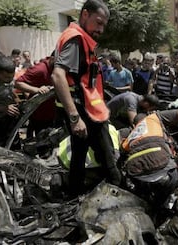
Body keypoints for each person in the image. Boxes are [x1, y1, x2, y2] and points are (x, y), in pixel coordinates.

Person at [51, 0, 121, 197]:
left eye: (103, 25)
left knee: (79, 155)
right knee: (109, 161)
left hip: (86, 110)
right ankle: (119, 200)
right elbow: (58, 76)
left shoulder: (77, 38)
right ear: (85, 15)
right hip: (85, 114)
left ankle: (74, 195)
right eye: (98, 22)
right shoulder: (76, 39)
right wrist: (75, 117)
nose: (101, 29)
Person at [121, 107, 178, 205]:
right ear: (147, 116)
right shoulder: (153, 118)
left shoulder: (130, 135)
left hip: (138, 176)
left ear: (134, 125)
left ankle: (147, 203)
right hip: (163, 171)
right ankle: (161, 205)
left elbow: (123, 152)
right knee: (175, 173)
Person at [14, 52, 56, 137]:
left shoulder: (59, 68)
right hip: (41, 113)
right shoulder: (40, 69)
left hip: (55, 112)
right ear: (52, 58)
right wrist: (37, 90)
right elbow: (18, 83)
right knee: (41, 140)